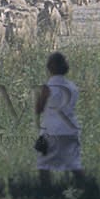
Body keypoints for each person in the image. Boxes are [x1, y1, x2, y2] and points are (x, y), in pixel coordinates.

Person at [35, 51, 82, 186]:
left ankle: (46, 193)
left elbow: (39, 109)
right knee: (74, 164)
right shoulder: (72, 86)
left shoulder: (48, 87)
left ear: (50, 67)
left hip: (52, 131)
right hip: (71, 129)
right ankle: (88, 189)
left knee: (44, 165)